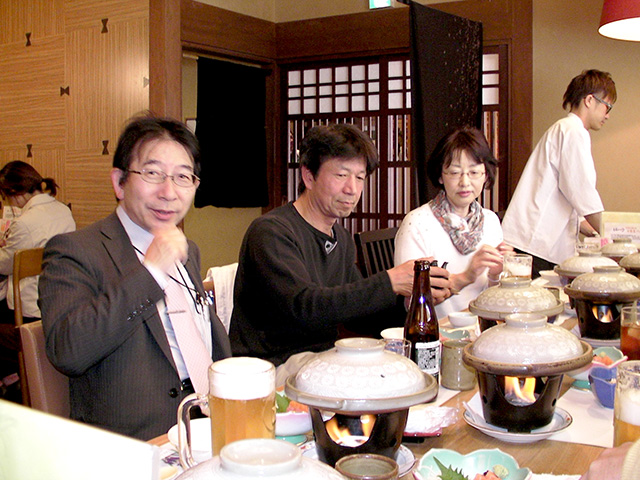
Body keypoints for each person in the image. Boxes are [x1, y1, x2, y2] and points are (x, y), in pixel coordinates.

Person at [38, 115, 231, 440]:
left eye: (183, 177)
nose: (169, 192)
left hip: (211, 423)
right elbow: (68, 351)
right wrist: (151, 272)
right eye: (153, 173)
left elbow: (202, 340)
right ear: (119, 182)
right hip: (139, 440)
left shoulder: (188, 250)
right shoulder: (75, 250)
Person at [229, 123, 450, 367]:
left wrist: (408, 302)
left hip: (321, 360)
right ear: (309, 176)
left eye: (360, 178)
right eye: (341, 175)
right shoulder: (271, 232)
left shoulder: (340, 237)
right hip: (271, 366)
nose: (352, 189)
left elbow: (357, 314)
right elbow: (305, 307)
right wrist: (389, 282)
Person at [501, 69, 616, 277]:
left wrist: (594, 231)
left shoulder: (565, 129)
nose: (607, 115)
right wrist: (614, 235)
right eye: (607, 107)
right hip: (534, 244)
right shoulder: (573, 131)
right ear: (590, 100)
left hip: (533, 241)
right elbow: (582, 193)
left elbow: (570, 196)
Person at [394, 127, 512, 319]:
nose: (465, 182)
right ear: (440, 176)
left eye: (474, 172)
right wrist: (467, 276)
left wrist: (495, 274)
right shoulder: (417, 224)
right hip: (437, 331)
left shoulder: (490, 221)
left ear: (485, 175)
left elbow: (495, 300)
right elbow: (413, 303)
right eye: (455, 172)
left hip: (483, 329)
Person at [0, 161, 75, 395]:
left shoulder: (25, 222)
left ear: (15, 192)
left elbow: (5, 264)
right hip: (58, 301)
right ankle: (13, 375)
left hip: (29, 309)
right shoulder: (62, 210)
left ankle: (12, 377)